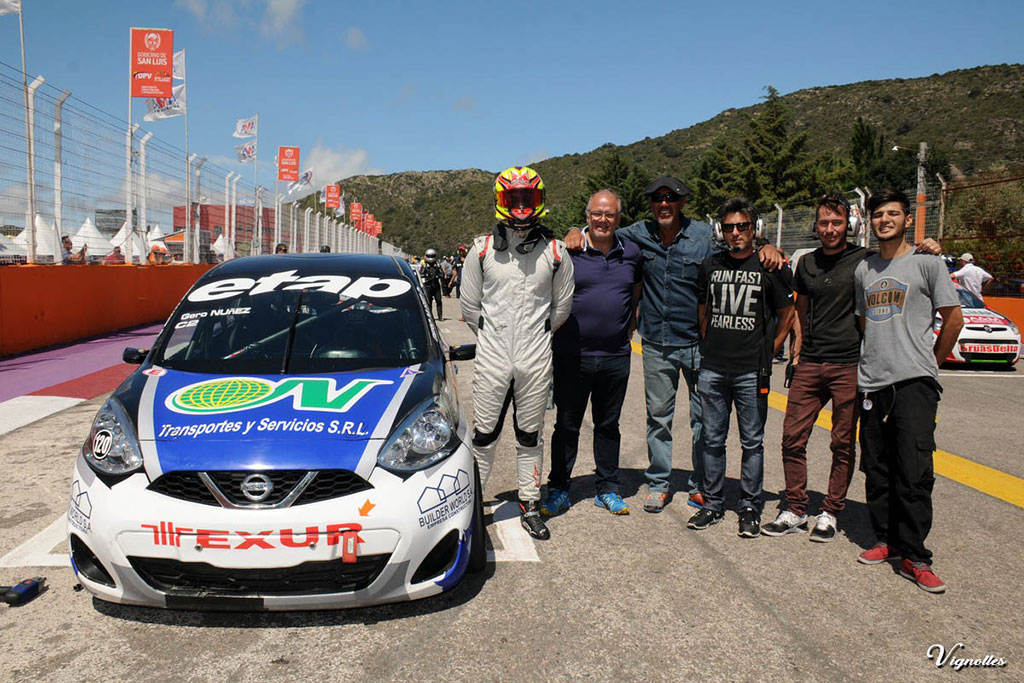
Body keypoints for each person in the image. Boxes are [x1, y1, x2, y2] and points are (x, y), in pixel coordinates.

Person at [564, 176, 783, 513]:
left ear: (682, 203)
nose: (663, 204)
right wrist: (576, 231)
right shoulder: (636, 234)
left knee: (704, 421)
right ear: (651, 204)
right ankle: (659, 482)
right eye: (657, 199)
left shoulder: (702, 237)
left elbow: (737, 248)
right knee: (659, 418)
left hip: (698, 343)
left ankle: (701, 485)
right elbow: (601, 230)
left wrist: (768, 245)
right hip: (656, 342)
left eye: (670, 198)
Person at [765, 194, 943, 542]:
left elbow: (902, 260)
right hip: (811, 363)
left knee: (842, 443)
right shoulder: (806, 264)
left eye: (837, 222)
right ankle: (796, 507)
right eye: (824, 223)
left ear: (851, 225)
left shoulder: (866, 260)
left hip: (849, 364)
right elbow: (801, 309)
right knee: (791, 438)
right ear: (816, 227)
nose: (830, 229)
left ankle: (831, 511)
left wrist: (932, 247)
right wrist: (798, 348)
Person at [854, 188, 963, 593]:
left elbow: (953, 320)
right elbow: (866, 324)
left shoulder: (927, 264)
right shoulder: (864, 271)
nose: (885, 219)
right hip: (873, 383)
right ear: (871, 221)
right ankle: (886, 540)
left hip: (915, 382)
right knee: (878, 469)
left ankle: (916, 557)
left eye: (893, 213)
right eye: (879, 213)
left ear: (906, 220)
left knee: (915, 472)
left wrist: (929, 363)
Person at [461, 166, 574, 540]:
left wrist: (532, 336)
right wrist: (497, 336)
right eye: (515, 199)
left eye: (529, 198)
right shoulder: (480, 250)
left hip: (536, 355)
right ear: (501, 200)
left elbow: (561, 309)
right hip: (493, 354)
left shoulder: (556, 252)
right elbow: (468, 307)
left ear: (539, 200)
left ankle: (530, 503)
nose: (523, 206)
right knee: (483, 434)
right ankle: (470, 507)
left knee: (530, 434)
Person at [686, 198, 794, 537]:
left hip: (752, 370)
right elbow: (703, 310)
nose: (736, 233)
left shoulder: (771, 267)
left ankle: (749, 506)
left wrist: (770, 349)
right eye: (729, 227)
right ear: (721, 230)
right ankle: (714, 504)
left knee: (752, 442)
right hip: (713, 368)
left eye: (742, 226)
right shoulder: (710, 265)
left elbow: (788, 314)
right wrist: (707, 346)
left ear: (755, 229)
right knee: (712, 440)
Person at [541, 190, 642, 518]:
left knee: (608, 425)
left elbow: (635, 292)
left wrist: (629, 323)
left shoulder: (632, 253)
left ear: (618, 219)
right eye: (597, 214)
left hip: (615, 356)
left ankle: (608, 489)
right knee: (567, 425)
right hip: (573, 355)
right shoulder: (568, 251)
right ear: (587, 217)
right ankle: (558, 488)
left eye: (610, 214)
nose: (603, 220)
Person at [419, 248, 445, 320]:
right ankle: (429, 316)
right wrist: (426, 277)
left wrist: (438, 276)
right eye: (429, 256)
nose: (431, 258)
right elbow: (420, 275)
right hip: (428, 286)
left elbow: (442, 274)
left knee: (439, 301)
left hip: (436, 285)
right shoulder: (424, 266)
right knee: (428, 302)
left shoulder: (437, 265)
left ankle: (440, 316)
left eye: (432, 256)